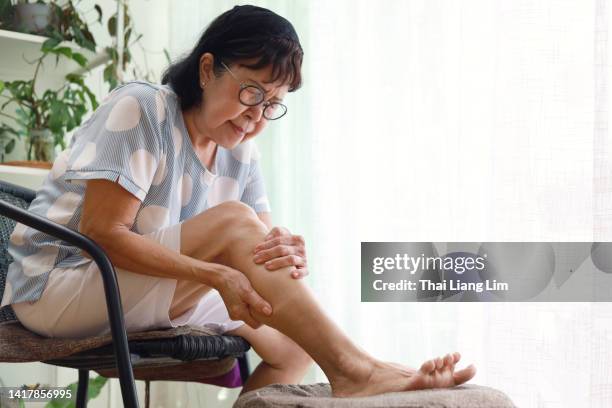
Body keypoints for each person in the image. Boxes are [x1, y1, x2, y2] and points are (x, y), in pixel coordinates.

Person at [1, 5, 476, 397]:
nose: (256, 116)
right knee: (232, 223)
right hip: (60, 285)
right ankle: (359, 371)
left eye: (272, 104)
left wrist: (286, 250)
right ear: (208, 69)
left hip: (140, 284)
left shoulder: (241, 151)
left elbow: (259, 250)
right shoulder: (143, 108)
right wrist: (217, 273)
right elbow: (104, 234)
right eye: (251, 91)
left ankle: (367, 365)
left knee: (292, 349)